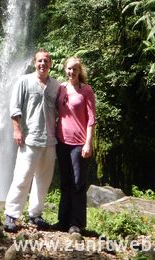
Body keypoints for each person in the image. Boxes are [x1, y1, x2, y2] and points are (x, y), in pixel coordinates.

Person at [3, 49, 60, 233]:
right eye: (39, 61)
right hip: (30, 139)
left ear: (50, 64)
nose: (43, 64)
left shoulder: (56, 86)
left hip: (50, 140)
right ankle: (11, 214)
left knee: (43, 181)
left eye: (46, 61)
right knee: (22, 177)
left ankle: (35, 214)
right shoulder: (24, 81)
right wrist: (17, 130)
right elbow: (15, 107)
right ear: (35, 63)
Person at [54, 57, 96, 234]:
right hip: (62, 141)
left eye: (75, 69)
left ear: (80, 71)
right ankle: (63, 220)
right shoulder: (61, 88)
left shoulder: (86, 90)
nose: (72, 72)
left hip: (79, 143)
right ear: (65, 69)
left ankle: (76, 223)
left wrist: (88, 143)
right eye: (69, 69)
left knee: (78, 183)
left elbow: (92, 119)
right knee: (65, 182)